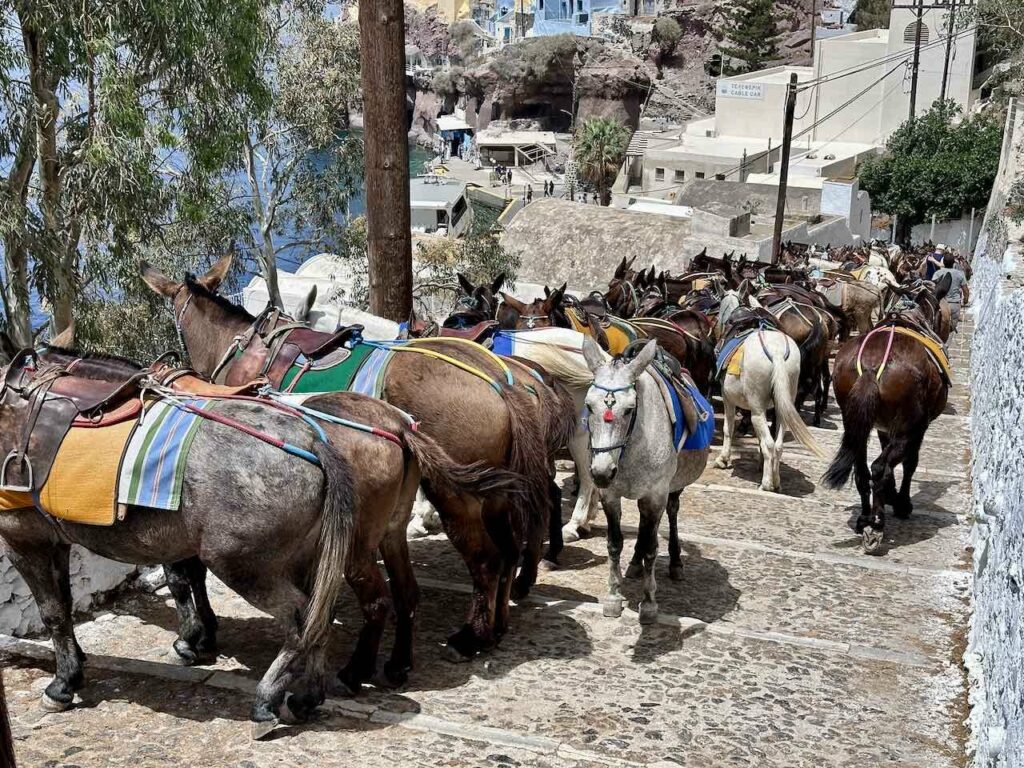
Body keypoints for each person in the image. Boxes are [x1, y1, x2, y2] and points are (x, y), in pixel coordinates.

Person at [932, 252, 967, 332]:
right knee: (951, 328)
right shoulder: (960, 274)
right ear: (953, 263)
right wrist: (965, 300)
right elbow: (965, 290)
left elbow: (932, 287)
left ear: (943, 262)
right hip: (954, 304)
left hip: (940, 304)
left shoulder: (937, 273)